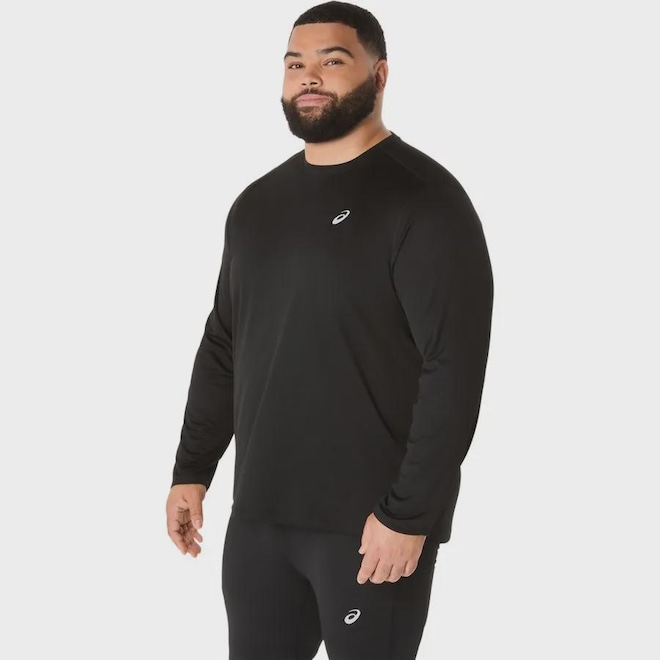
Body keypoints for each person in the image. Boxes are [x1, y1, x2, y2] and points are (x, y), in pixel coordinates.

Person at [165, 2, 494, 658]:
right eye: (295, 64)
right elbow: (225, 343)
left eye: (332, 60)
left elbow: (453, 368)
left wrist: (409, 513)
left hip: (371, 528)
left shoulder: (423, 201)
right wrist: (193, 468)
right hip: (259, 522)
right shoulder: (257, 205)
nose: (308, 76)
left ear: (380, 75)